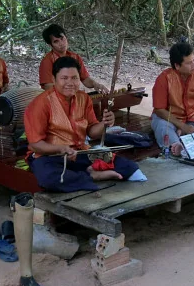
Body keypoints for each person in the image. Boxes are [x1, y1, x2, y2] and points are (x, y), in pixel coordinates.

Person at [24, 56, 141, 192]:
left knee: (128, 167)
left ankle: (84, 174)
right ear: (54, 79)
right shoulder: (40, 104)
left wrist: (104, 123)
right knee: (50, 178)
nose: (70, 83)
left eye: (74, 78)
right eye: (64, 78)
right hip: (49, 157)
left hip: (80, 152)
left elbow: (92, 132)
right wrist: (60, 148)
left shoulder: (84, 98)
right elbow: (35, 145)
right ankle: (92, 175)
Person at [38, 24, 108, 93]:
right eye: (56, 41)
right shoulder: (47, 62)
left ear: (66, 37)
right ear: (50, 45)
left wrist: (95, 84)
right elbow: (48, 87)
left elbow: (85, 79)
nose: (61, 43)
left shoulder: (75, 57)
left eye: (62, 38)